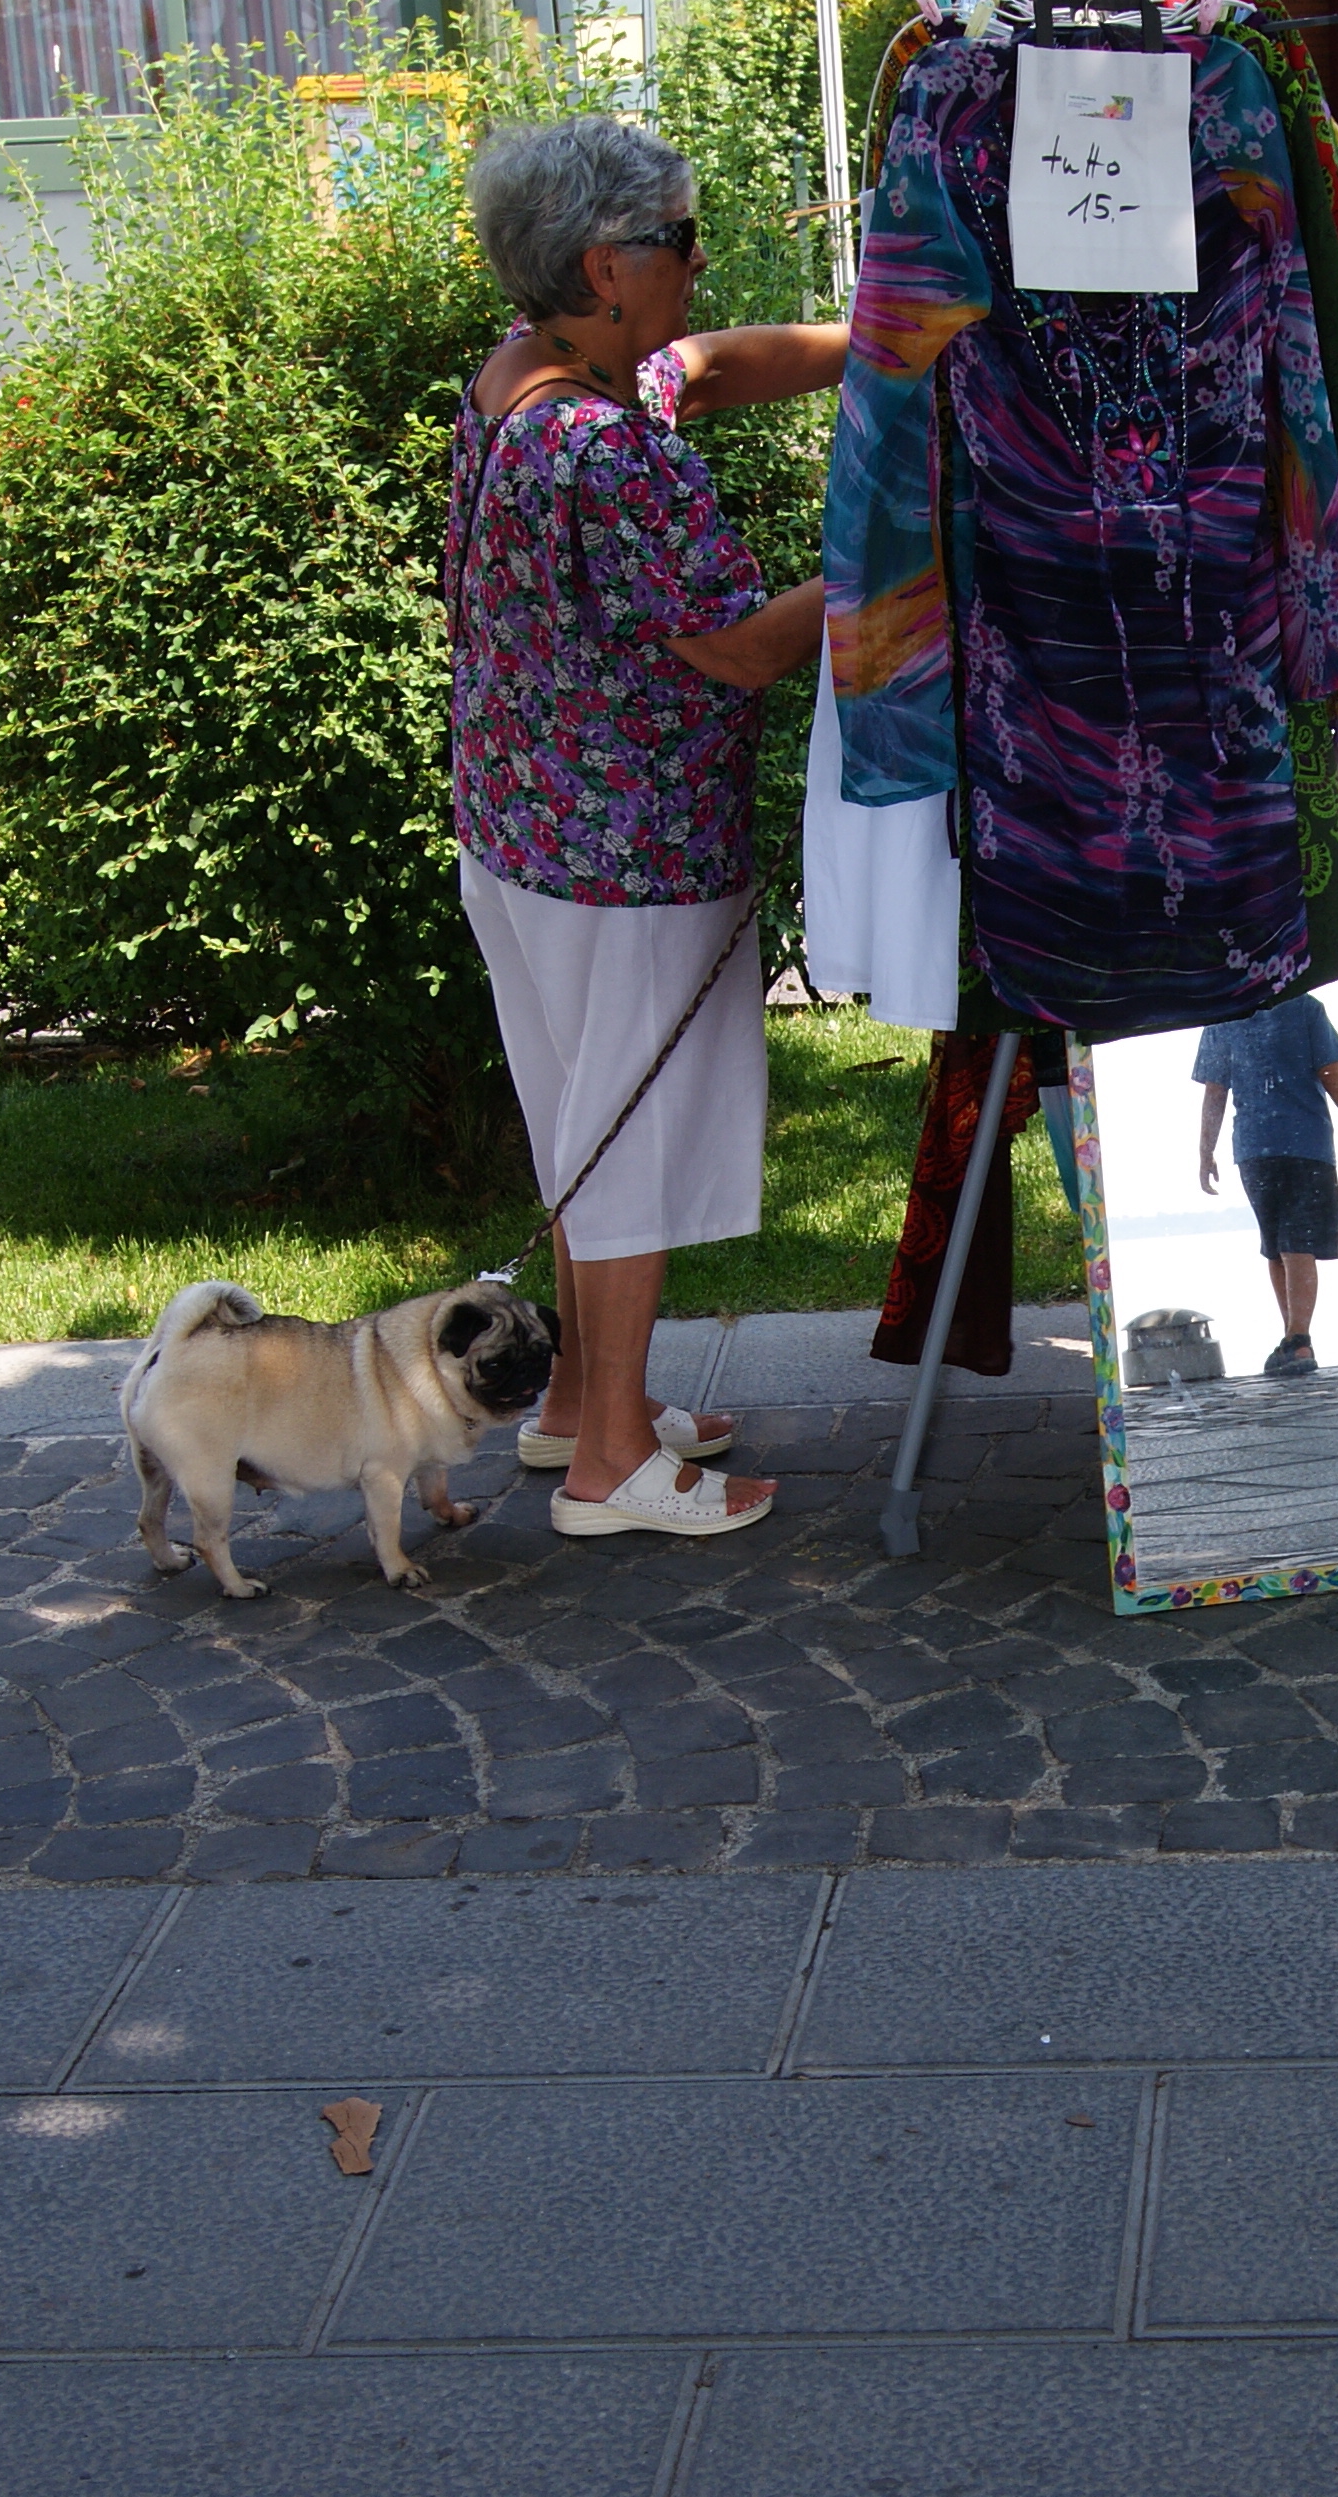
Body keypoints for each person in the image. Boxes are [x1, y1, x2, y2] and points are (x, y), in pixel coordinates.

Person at [450, 119, 841, 1540]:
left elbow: (720, 362)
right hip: (624, 855)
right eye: (684, 245)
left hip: (522, 831)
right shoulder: (607, 453)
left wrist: (888, 343)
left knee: (580, 1127)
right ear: (609, 268)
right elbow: (740, 648)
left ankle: (572, 1406)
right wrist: (903, 566)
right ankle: (614, 1462)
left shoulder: (518, 381)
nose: (700, 266)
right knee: (627, 1144)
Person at [1194, 996, 1338, 1378]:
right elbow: (1332, 1074)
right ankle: (1298, 1339)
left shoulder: (1221, 1010)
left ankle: (1293, 1339)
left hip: (1254, 1148)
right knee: (1295, 1242)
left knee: (1278, 1245)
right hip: (1306, 1144)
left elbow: (1215, 1091)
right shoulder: (1305, 1008)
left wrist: (1206, 1152)